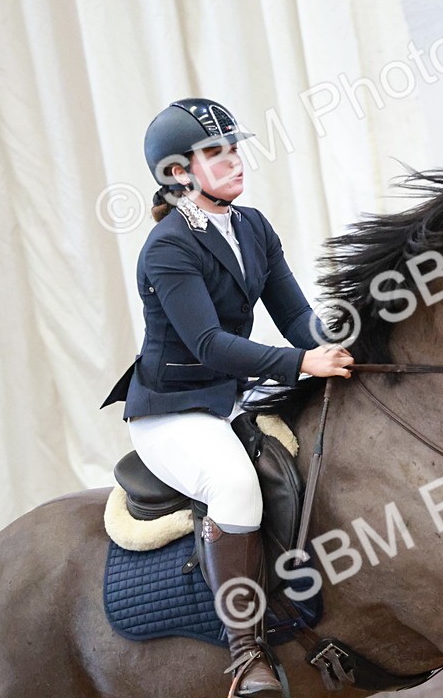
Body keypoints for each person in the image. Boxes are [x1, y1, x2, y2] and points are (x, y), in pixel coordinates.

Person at [102, 98, 352, 697]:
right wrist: (300, 363)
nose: (236, 160)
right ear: (178, 172)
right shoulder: (167, 248)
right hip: (174, 411)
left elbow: (294, 314)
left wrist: (343, 345)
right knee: (235, 486)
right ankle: (246, 655)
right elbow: (210, 344)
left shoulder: (253, 227)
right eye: (217, 152)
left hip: (231, 396)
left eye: (235, 148)